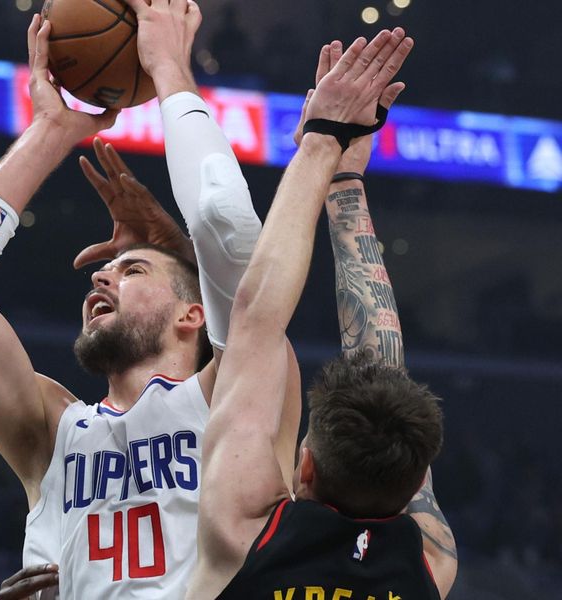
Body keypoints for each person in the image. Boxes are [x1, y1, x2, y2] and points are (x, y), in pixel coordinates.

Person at [0, 3, 301, 598]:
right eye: (106, 273)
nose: (99, 279)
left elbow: (230, 239)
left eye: (132, 269)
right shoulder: (52, 431)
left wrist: (169, 69)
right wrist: (53, 130)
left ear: (191, 314)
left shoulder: (236, 397)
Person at [187, 29, 458, 599]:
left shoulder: (246, 539)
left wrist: (331, 158)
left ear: (303, 466)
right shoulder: (428, 567)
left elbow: (265, 324)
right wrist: (326, 151)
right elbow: (257, 321)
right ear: (417, 488)